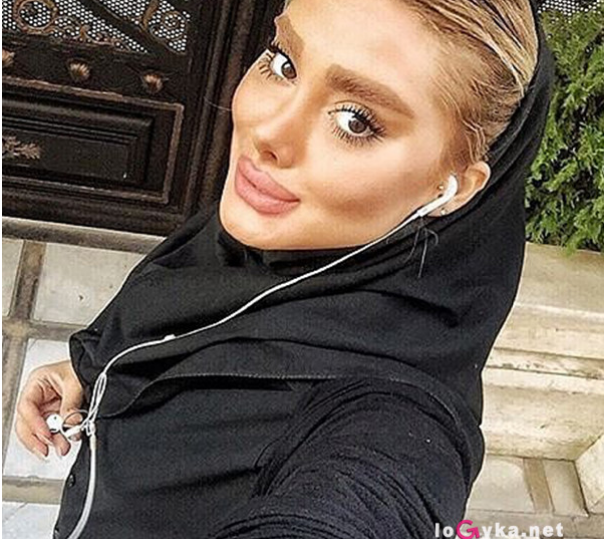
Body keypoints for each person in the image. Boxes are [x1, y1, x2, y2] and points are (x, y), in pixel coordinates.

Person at [14, 0, 555, 537]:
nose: (269, 131)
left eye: (355, 121)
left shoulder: (389, 422)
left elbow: (370, 500)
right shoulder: (284, 239)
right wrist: (96, 367)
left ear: (452, 187)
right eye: (284, 63)